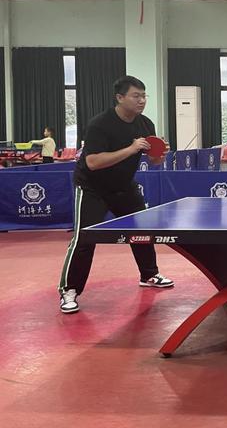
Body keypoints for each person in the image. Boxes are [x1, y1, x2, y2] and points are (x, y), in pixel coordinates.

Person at [58, 76, 173, 314]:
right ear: (120, 98)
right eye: (136, 96)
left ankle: (149, 275)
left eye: (144, 96)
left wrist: (160, 154)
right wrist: (131, 148)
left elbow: (154, 161)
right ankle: (69, 290)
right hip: (93, 188)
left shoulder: (145, 124)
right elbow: (92, 162)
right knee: (84, 238)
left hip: (124, 187)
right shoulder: (100, 125)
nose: (142, 100)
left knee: (142, 232)